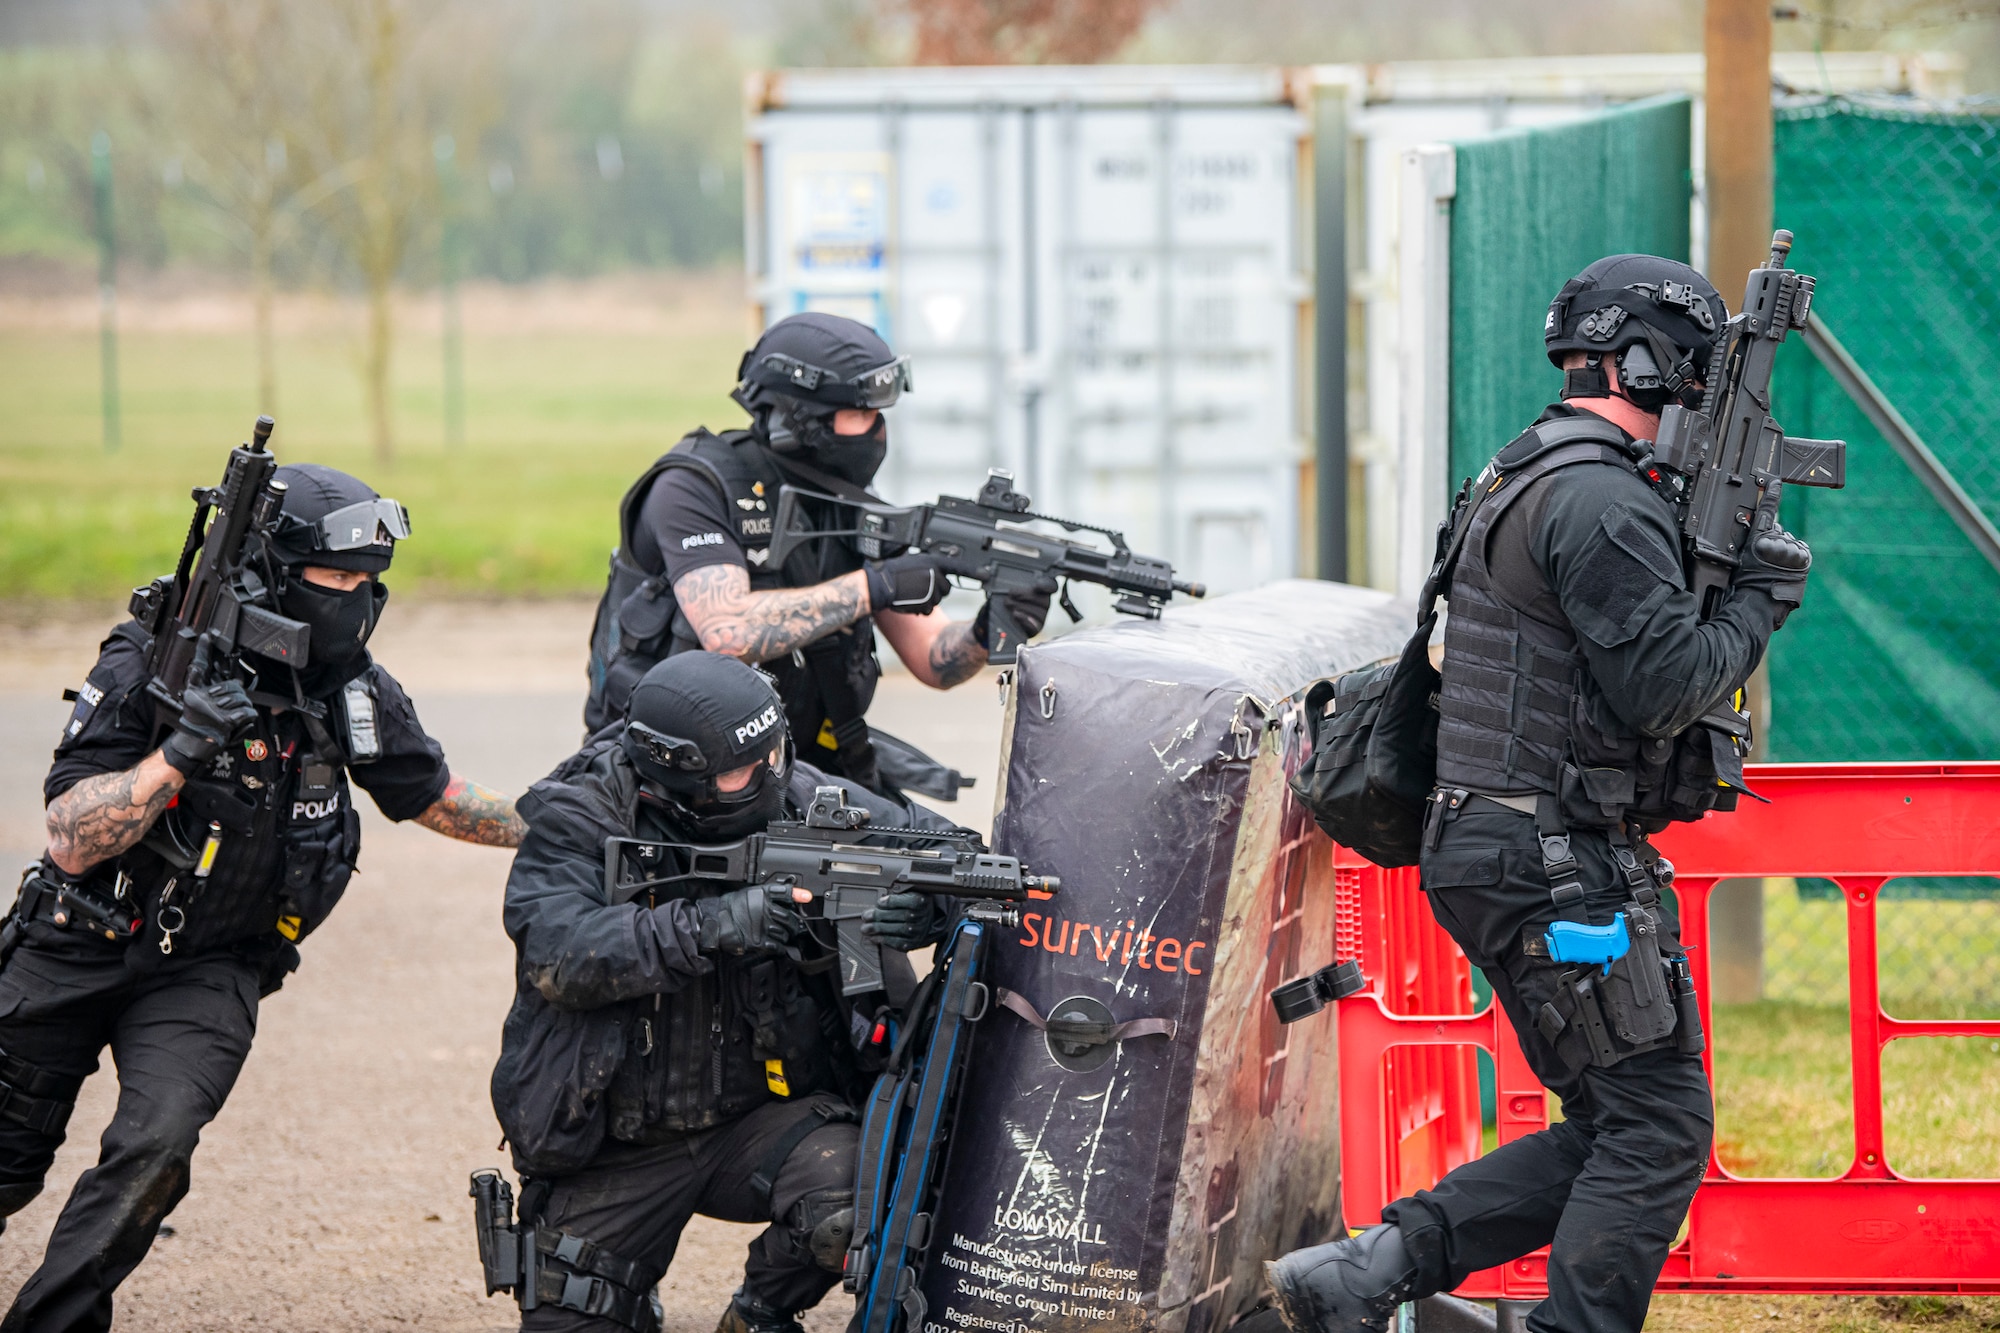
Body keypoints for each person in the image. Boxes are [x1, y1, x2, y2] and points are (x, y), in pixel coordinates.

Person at [1264, 256, 1814, 1333]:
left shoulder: (1528, 470)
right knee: (1652, 1125)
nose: (1695, 399)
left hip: (1517, 851)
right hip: (1549, 863)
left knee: (1621, 1117)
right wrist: (1757, 600)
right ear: (1646, 363)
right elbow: (1659, 689)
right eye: (1689, 373)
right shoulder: (1601, 501)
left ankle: (1363, 1272)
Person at [0, 464, 526, 1332]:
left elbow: (432, 794)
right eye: (337, 580)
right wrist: (178, 753)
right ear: (277, 574)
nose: (356, 601)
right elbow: (67, 832)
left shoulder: (349, 687)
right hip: (77, 937)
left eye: (370, 583)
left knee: (155, 1148)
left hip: (208, 965)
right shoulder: (152, 658)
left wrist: (553, 824)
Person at [490, 651, 960, 1333]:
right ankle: (627, 1289)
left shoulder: (802, 794)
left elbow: (948, 853)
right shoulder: (580, 815)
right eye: (745, 769)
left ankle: (760, 1311)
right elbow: (560, 952)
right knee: (575, 1318)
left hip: (761, 1122)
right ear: (672, 778)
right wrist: (716, 924)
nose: (773, 776)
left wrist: (927, 909)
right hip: (619, 1139)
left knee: (855, 1192)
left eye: (777, 752)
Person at [583, 312, 1055, 798]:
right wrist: (877, 585)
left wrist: (985, 629)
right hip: (670, 775)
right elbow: (728, 631)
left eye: (879, 415)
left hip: (798, 771)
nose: (876, 431)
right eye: (859, 414)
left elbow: (934, 659)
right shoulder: (693, 487)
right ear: (796, 416)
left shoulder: (849, 502)